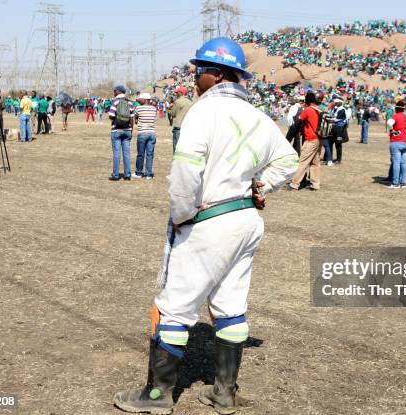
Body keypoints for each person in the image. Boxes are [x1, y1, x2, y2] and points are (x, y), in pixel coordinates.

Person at [113, 37, 298, 415]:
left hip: (208, 221)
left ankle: (157, 395)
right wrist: (260, 187)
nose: (195, 78)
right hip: (245, 219)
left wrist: (182, 216)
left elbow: (185, 174)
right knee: (230, 306)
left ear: (216, 75)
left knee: (174, 307)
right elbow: (289, 160)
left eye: (199, 71)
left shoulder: (201, 113)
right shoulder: (260, 118)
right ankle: (223, 392)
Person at [288, 91, 322, 190]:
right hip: (319, 139)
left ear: (307, 101)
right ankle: (315, 184)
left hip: (311, 139)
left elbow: (298, 121)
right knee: (315, 162)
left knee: (303, 161)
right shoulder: (318, 109)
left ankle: (294, 184)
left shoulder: (307, 110)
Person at [108, 85, 135, 181]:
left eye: (114, 91)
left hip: (116, 130)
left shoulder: (115, 102)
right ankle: (127, 175)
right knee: (127, 154)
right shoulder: (130, 103)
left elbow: (111, 115)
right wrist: (131, 130)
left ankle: (115, 175)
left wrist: (117, 119)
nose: (113, 92)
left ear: (118, 91)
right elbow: (132, 118)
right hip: (127, 130)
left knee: (116, 154)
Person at [386, 99, 406, 189]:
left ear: (397, 108)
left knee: (396, 162)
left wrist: (392, 130)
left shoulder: (396, 116)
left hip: (396, 141)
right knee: (403, 163)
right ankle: (403, 183)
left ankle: (395, 183)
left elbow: (389, 122)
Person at [133, 93, 157, 179]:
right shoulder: (154, 109)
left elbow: (135, 120)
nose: (139, 101)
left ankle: (139, 173)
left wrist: (137, 120)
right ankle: (149, 174)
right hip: (152, 133)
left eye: (140, 99)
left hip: (142, 133)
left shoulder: (138, 108)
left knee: (140, 154)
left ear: (145, 100)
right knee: (150, 155)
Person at [168, 86, 192, 151]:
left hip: (178, 126)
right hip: (188, 127)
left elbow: (172, 114)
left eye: (177, 92)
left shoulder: (177, 101)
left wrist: (170, 108)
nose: (176, 94)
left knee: (176, 147)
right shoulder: (190, 102)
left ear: (181, 93)